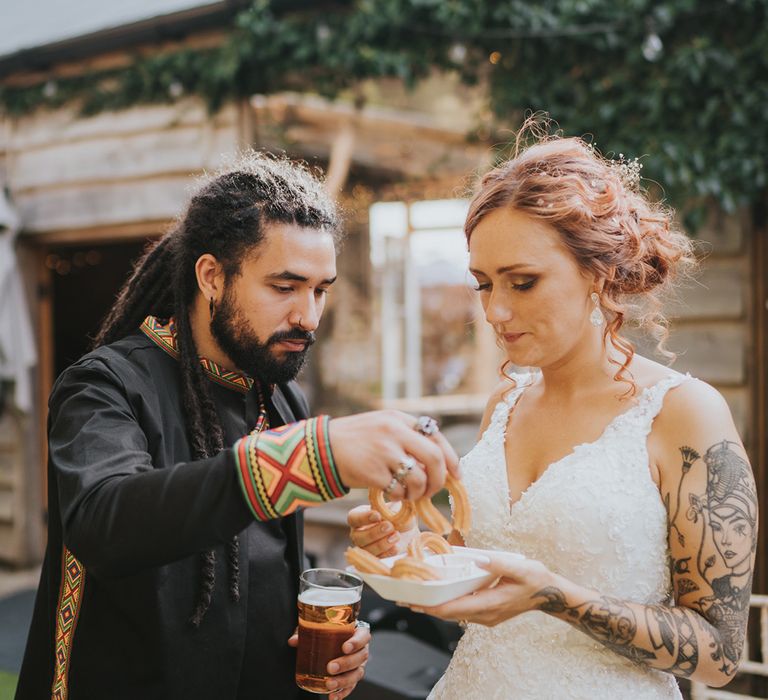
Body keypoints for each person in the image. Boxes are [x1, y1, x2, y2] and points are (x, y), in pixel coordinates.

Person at [17, 153, 458, 700]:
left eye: (321, 289)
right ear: (211, 276)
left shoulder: (279, 395)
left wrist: (326, 643)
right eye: (285, 287)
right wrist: (313, 455)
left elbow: (259, 577)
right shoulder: (104, 385)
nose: (309, 316)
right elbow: (105, 521)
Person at [348, 123, 757, 699]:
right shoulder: (504, 407)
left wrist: (558, 597)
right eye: (484, 284)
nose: (495, 311)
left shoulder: (684, 415)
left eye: (523, 282)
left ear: (599, 273)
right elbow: (472, 587)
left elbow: (719, 655)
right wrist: (406, 550)